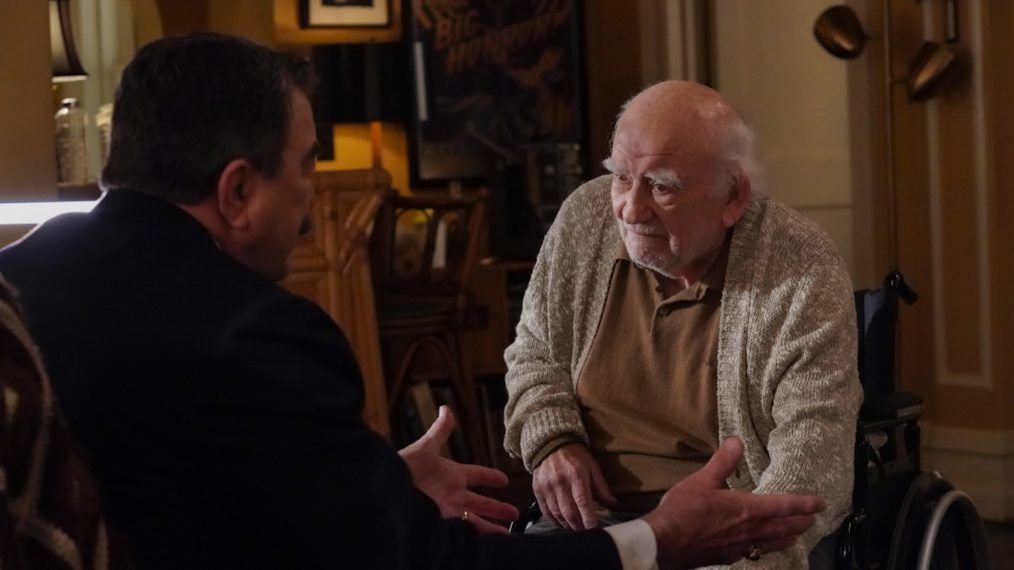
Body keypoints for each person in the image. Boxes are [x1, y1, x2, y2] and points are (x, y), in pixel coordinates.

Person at [0, 34, 823, 569]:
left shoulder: (20, 281)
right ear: (239, 191)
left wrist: (376, 483)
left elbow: (192, 496)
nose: (313, 199)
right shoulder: (256, 334)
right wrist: (657, 541)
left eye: (664, 185)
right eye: (307, 166)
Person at [503, 80, 862, 568]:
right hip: (591, 528)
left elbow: (813, 453)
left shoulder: (800, 265)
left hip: (723, 538)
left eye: (661, 186)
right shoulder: (584, 219)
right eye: (621, 177)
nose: (630, 209)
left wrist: (746, 542)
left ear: (733, 195)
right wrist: (553, 441)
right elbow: (534, 351)